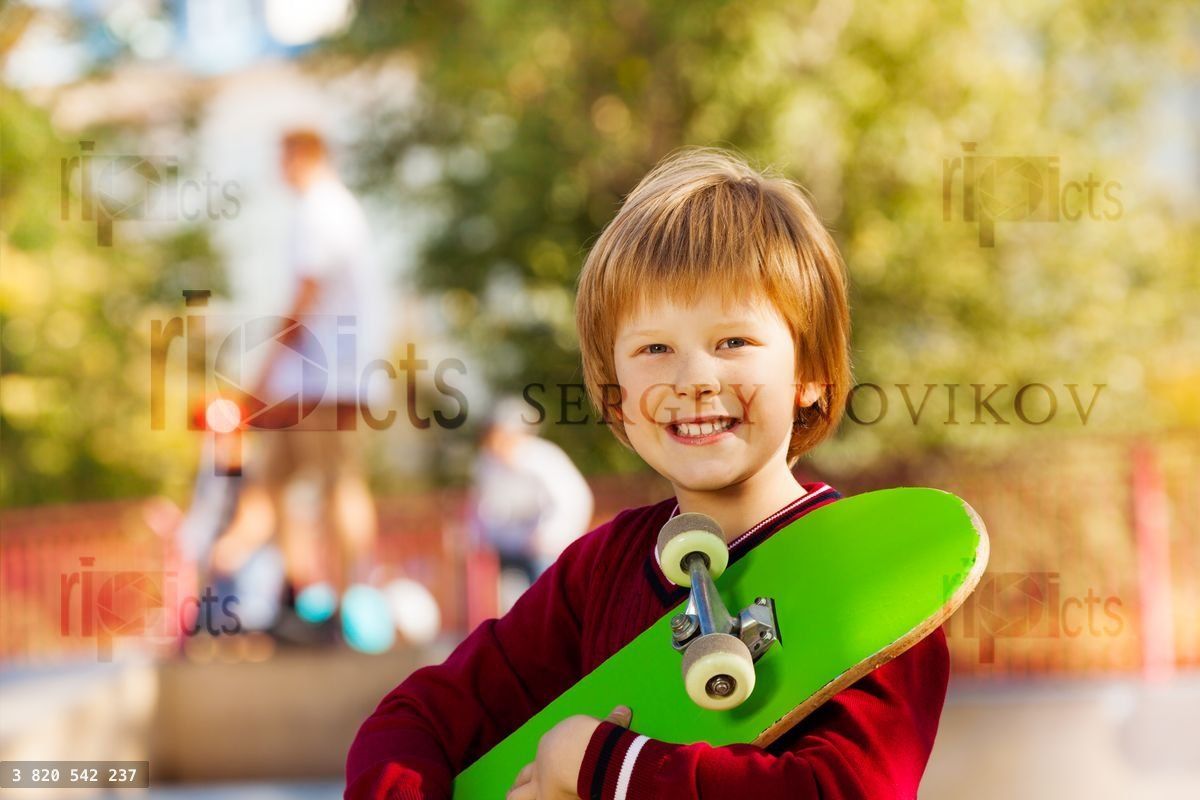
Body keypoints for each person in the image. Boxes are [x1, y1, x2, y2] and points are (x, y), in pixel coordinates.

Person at [345, 147, 948, 798]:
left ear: (809, 376)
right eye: (654, 348)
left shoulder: (876, 574)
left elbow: (845, 788)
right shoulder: (598, 573)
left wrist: (599, 765)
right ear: (615, 393)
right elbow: (415, 722)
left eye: (733, 342)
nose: (693, 381)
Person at [211, 128, 390, 642]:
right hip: (310, 379)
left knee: (337, 481)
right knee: (273, 485)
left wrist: (263, 372)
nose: (279, 169)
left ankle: (353, 599)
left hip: (328, 378)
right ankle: (297, 599)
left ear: (305, 155)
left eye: (284, 157)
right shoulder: (323, 209)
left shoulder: (322, 208)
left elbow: (305, 294)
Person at [468, 397, 594, 610]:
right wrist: (483, 539)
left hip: (545, 552)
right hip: (508, 551)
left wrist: (546, 537)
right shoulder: (487, 465)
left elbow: (574, 501)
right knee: (512, 607)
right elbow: (483, 510)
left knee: (548, 603)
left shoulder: (543, 458)